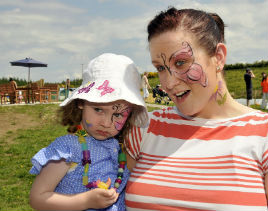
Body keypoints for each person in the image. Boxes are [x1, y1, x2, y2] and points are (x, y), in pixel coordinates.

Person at [124, 7, 268, 211]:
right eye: (161, 68)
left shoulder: (263, 134)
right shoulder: (143, 127)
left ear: (218, 57)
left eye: (181, 62)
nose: (168, 83)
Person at [29, 53, 148, 211]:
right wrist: (85, 201)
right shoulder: (68, 148)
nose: (106, 123)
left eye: (118, 114)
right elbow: (38, 198)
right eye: (98, 109)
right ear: (81, 102)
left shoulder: (122, 146)